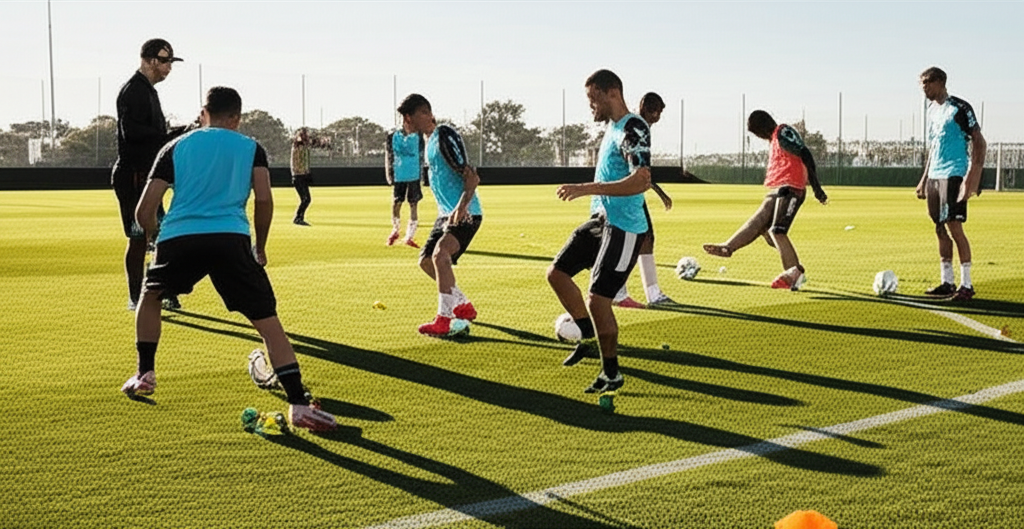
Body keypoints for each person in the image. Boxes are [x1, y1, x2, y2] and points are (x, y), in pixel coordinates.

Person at [121, 86, 336, 432]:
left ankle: (145, 372)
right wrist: (260, 247)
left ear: (203, 113)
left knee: (151, 295)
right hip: (230, 238)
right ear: (237, 117)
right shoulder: (251, 148)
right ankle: (298, 403)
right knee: (267, 321)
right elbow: (263, 200)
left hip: (178, 237)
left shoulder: (174, 147)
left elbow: (144, 209)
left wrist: (155, 237)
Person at [547, 69, 651, 393]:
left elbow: (641, 179)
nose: (591, 105)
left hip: (625, 227)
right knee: (557, 273)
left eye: (593, 99)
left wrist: (586, 188)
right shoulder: (613, 128)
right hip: (602, 220)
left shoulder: (633, 127)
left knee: (598, 299)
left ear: (612, 93)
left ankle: (611, 373)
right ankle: (588, 338)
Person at [702, 110, 828, 290]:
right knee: (759, 223)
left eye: (757, 133)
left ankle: (794, 274)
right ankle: (728, 247)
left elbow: (805, 153)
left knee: (777, 231)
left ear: (762, 127)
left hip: (791, 187)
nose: (759, 137)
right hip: (778, 188)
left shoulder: (783, 132)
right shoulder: (774, 139)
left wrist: (817, 187)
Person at [396, 94, 483, 336]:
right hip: (445, 214)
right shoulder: (428, 140)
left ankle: (443, 319)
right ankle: (462, 304)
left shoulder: (444, 134)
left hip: (465, 212)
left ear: (424, 114)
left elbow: (472, 176)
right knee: (426, 261)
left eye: (408, 117)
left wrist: (462, 207)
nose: (406, 123)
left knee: (440, 255)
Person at [111, 38, 182, 312]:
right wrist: (170, 136)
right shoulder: (134, 91)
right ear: (150, 60)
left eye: (170, 62)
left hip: (148, 175)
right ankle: (135, 297)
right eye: (165, 61)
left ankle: (161, 291)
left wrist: (176, 133)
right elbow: (132, 134)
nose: (169, 67)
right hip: (133, 176)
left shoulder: (148, 90)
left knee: (161, 234)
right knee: (139, 236)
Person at [915, 67, 986, 301]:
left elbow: (979, 141)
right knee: (939, 227)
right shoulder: (931, 110)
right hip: (935, 175)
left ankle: (966, 285)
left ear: (940, 82)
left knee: (955, 228)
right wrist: (924, 179)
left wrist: (973, 177)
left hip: (954, 173)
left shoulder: (959, 108)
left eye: (927, 82)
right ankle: (947, 281)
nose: (924, 87)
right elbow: (934, 146)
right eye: (922, 83)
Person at [612, 92, 676, 308]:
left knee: (645, 238)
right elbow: (638, 170)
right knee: (630, 241)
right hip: (625, 193)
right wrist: (660, 193)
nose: (658, 116)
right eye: (656, 111)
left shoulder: (637, 125)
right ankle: (621, 292)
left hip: (630, 192)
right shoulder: (637, 127)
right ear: (648, 109)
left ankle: (651, 293)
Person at [384, 121, 426, 247]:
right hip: (399, 175)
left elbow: (422, 153)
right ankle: (395, 230)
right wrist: (389, 174)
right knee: (397, 202)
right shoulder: (393, 136)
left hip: (414, 175)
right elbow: (389, 155)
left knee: (413, 204)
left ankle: (409, 236)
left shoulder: (418, 136)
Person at [290, 128, 314, 226]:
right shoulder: (297, 146)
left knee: (306, 199)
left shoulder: (304, 147)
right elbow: (298, 141)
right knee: (305, 199)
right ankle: (298, 218)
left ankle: (299, 217)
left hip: (302, 176)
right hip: (298, 176)